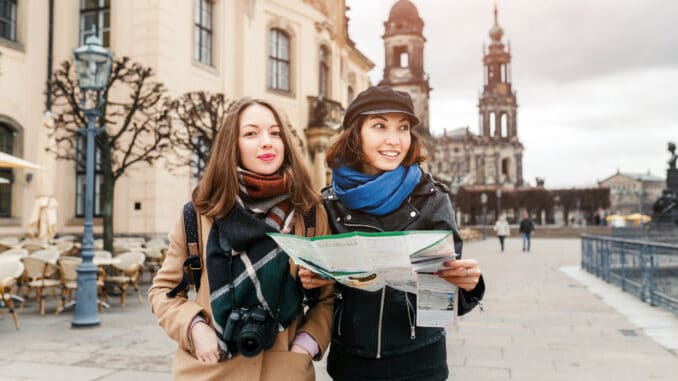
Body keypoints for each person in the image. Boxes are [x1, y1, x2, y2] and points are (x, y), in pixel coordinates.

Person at [298, 86, 485, 381]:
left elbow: (446, 301)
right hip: (351, 366)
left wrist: (469, 286)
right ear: (355, 133)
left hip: (420, 365)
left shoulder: (432, 199)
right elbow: (317, 300)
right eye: (379, 125)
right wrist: (308, 282)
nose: (394, 139)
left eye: (403, 127)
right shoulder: (328, 203)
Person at [149, 98, 333, 380]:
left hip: (284, 371)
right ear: (231, 145)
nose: (267, 142)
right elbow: (163, 291)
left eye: (275, 133)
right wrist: (193, 327)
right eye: (251, 133)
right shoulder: (198, 214)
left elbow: (328, 298)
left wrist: (306, 344)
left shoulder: (310, 213)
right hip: (210, 369)